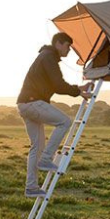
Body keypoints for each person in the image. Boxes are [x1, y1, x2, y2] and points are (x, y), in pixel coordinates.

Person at [17, 32, 91, 198]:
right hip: (32, 102)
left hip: (24, 104)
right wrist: (78, 92)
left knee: (37, 146)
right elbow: (58, 84)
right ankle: (46, 159)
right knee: (64, 122)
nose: (69, 51)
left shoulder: (46, 56)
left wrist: (79, 88)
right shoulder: (49, 56)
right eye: (68, 47)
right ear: (58, 43)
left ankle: (31, 187)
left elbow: (56, 84)